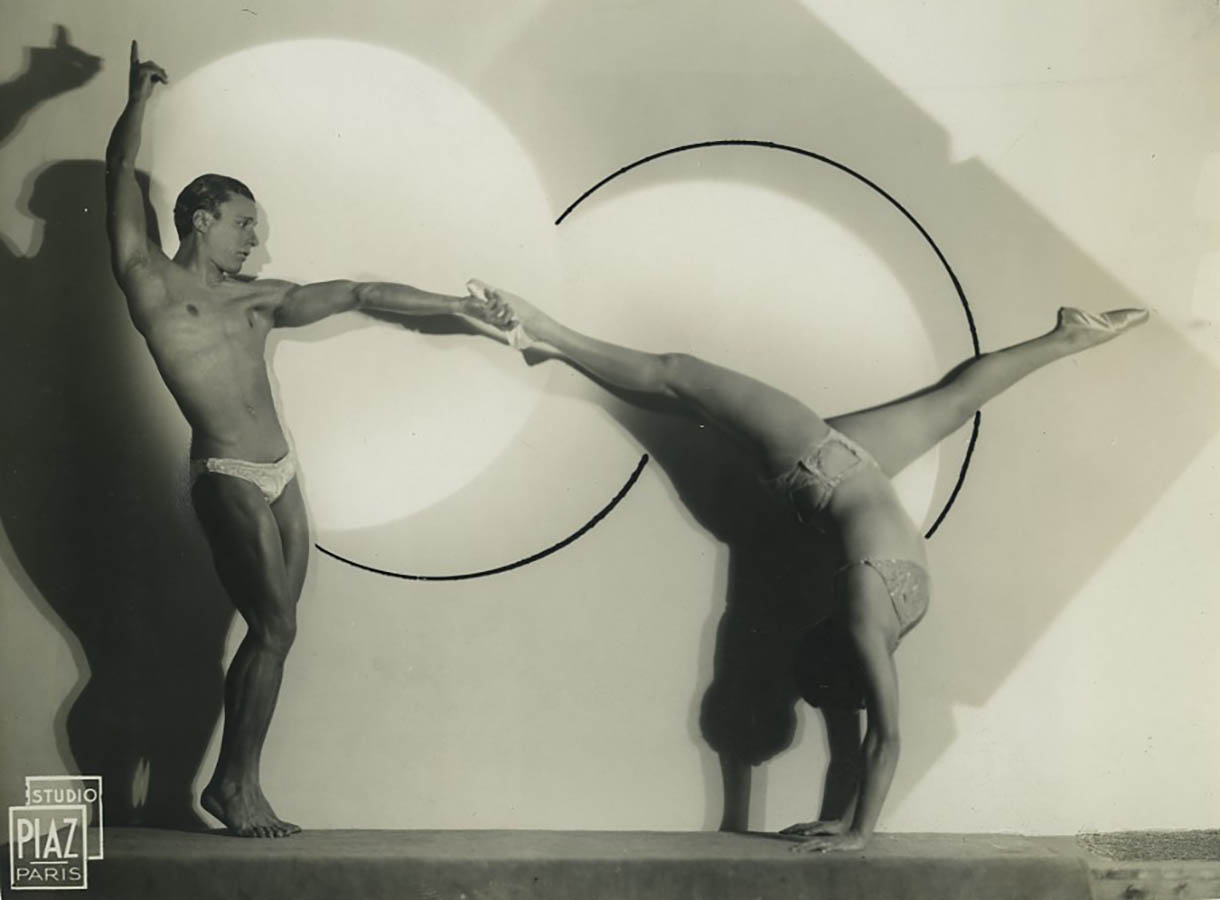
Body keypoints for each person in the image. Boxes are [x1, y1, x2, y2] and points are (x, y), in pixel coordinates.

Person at [469, 279, 1146, 852]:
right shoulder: (857, 609)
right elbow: (886, 740)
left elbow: (862, 747)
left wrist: (841, 824)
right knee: (678, 374)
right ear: (822, 653)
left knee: (951, 398)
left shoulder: (886, 618)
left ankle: (1070, 337)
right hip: (817, 467)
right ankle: (547, 334)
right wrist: (856, 837)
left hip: (849, 467)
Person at [104, 42, 513, 838]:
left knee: (275, 634)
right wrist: (137, 101)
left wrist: (461, 308)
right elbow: (117, 172)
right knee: (275, 626)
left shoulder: (261, 299)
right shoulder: (145, 276)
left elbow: (360, 291)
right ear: (200, 218)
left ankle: (232, 783)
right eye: (243, 225)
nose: (255, 242)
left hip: (283, 472)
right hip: (223, 468)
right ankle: (233, 787)